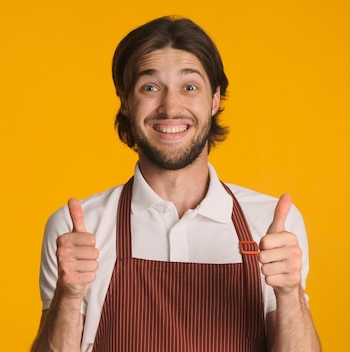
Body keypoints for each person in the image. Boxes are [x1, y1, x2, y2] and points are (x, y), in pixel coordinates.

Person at [31, 16, 321, 352]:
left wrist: (289, 295)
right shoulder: (78, 229)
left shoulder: (272, 226)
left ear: (215, 99)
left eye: (190, 87)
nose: (170, 107)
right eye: (150, 88)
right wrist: (69, 297)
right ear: (125, 101)